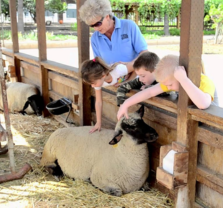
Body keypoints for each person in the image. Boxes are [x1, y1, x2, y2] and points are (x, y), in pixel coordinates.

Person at [117, 54, 217, 120]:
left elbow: (203, 104)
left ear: (180, 75)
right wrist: (126, 103)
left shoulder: (205, 81)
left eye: (169, 85)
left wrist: (184, 80)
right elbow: (149, 92)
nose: (168, 88)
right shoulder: (172, 81)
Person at [79, 0, 148, 81]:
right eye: (92, 25)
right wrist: (110, 78)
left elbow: (145, 54)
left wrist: (128, 71)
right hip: (112, 82)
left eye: (98, 24)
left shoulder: (129, 26)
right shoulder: (95, 38)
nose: (96, 28)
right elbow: (100, 65)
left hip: (137, 79)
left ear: (107, 16)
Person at [81, 57, 133, 133]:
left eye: (93, 83)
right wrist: (98, 122)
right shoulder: (99, 80)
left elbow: (138, 66)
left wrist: (128, 81)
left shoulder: (119, 70)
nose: (92, 86)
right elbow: (98, 102)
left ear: (103, 76)